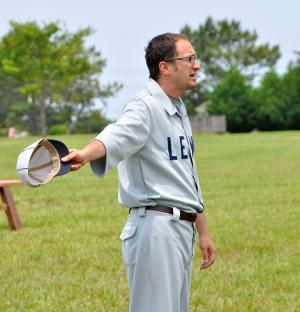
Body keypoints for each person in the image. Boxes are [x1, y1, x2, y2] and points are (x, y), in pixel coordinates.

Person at [62, 32, 216, 312]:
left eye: (195, 58)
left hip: (179, 228)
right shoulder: (145, 106)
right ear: (165, 67)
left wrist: (202, 230)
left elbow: (187, 176)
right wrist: (85, 153)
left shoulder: (177, 108)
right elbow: (115, 135)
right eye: (189, 58)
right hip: (156, 229)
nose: (197, 65)